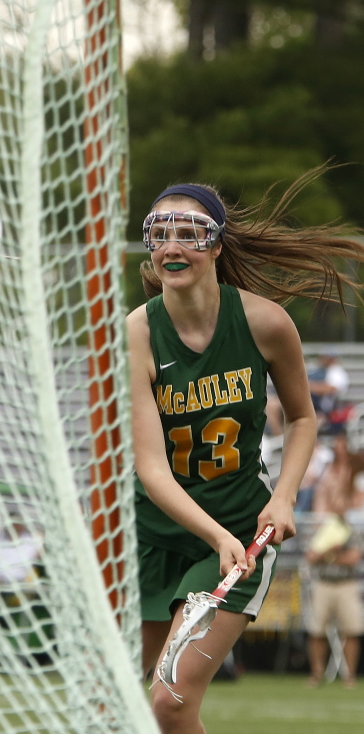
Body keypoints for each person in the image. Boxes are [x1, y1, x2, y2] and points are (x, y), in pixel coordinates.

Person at [127, 170, 364, 734]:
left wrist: (283, 499)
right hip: (153, 536)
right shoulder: (136, 333)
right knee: (114, 699)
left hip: (239, 531)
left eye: (189, 232)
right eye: (160, 234)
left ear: (216, 243)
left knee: (171, 705)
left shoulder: (263, 321)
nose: (172, 247)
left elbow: (304, 417)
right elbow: (151, 466)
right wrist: (212, 535)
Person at [304, 501, 363, 688]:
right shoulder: (322, 529)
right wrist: (330, 551)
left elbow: (353, 559)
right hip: (323, 584)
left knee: (352, 630)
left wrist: (326, 556)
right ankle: (316, 674)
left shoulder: (352, 531)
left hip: (346, 584)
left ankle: (349, 676)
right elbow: (310, 557)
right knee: (317, 630)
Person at [308, 349, 350, 425]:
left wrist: (311, 387)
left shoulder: (336, 371)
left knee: (316, 419)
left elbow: (331, 389)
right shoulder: (321, 370)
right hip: (317, 404)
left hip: (328, 408)